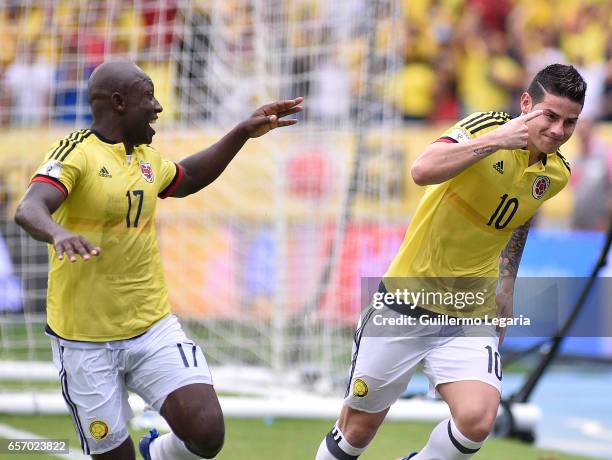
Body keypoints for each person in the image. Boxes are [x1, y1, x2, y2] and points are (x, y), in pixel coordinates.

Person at [14, 60, 303, 460]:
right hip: (84, 342)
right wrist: (59, 232)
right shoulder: (76, 153)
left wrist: (241, 133)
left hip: (151, 328)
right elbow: (29, 209)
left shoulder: (146, 158)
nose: (157, 107)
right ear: (118, 102)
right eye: (147, 96)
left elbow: (186, 179)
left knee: (207, 433)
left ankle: (158, 454)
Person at [314, 63, 585, 460]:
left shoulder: (557, 173)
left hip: (469, 313)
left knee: (477, 420)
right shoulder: (488, 125)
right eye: (550, 116)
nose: (558, 131)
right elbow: (422, 170)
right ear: (526, 103)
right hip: (404, 303)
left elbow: (520, 218)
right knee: (357, 431)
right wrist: (496, 141)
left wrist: (507, 285)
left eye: (570, 122)